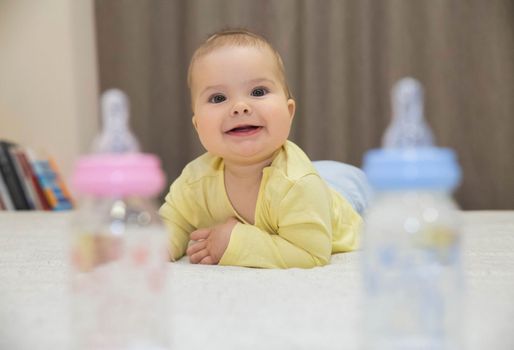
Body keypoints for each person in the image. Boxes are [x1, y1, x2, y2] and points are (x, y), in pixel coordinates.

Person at [159, 29, 365, 268]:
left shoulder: (298, 184)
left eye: (258, 92)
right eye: (218, 98)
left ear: (289, 113)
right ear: (197, 126)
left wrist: (235, 241)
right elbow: (175, 218)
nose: (240, 107)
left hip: (346, 190)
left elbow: (311, 253)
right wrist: (159, 246)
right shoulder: (195, 180)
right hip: (315, 183)